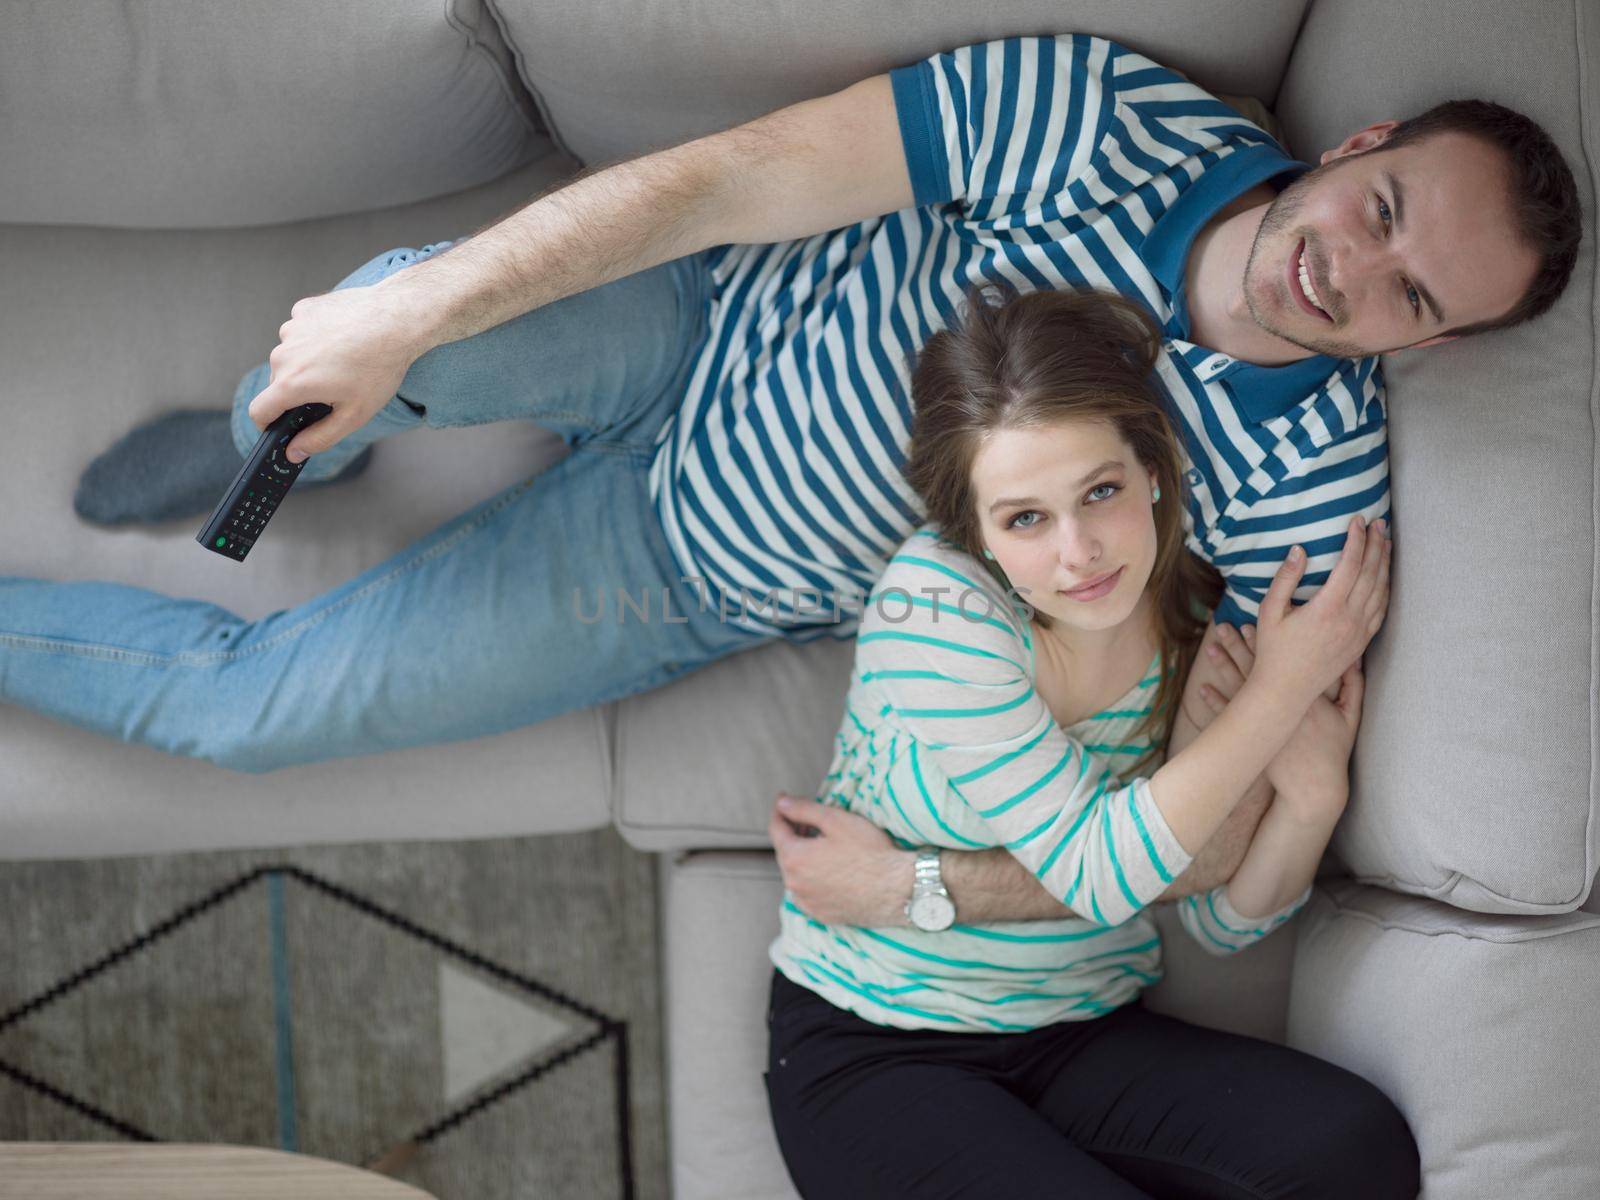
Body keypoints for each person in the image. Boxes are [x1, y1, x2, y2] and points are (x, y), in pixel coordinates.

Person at [4, 32, 1576, 841]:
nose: (1349, 274)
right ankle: (272, 451)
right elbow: (733, 180)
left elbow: (1172, 762)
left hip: (690, 572)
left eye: (1406, 293)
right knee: (366, 321)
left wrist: (1241, 715)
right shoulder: (1110, 118)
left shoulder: (1318, 496)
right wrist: (402, 336)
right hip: (697, 316)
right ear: (1358, 148)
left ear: (1423, 344)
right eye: (1380, 212)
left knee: (250, 722)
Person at [763, 283, 1410, 1198]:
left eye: (1100, 492)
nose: (1080, 554)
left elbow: (1222, 918)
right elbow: (1103, 873)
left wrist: (1313, 799)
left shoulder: (1199, 619)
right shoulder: (937, 607)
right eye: (1024, 518)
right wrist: (1284, 686)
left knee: (1356, 1150)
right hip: (876, 1042)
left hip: (1082, 1029)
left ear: (1152, 470)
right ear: (977, 534)